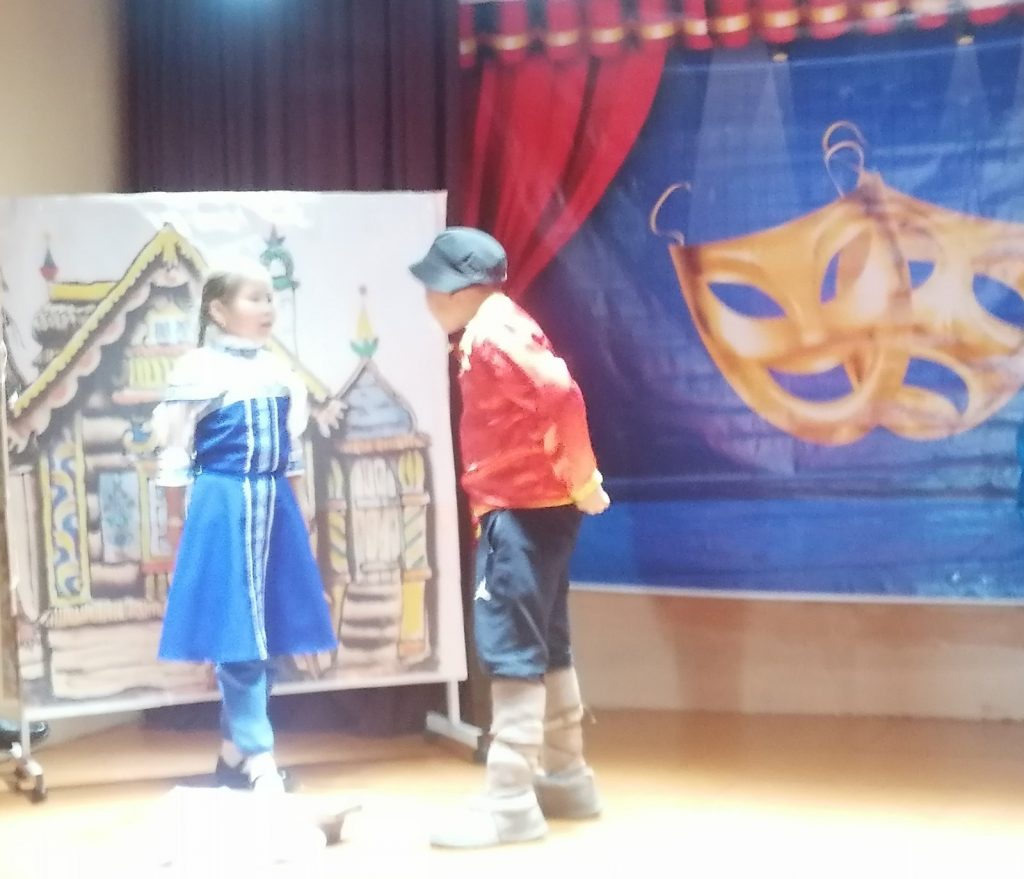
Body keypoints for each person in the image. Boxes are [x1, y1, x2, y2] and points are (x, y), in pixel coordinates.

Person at [410, 227, 611, 848]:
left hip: (518, 511)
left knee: (512, 649)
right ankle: (566, 775)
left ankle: (510, 800)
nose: (427, 298)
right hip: (538, 509)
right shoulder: (502, 325)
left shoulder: (491, 335)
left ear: (456, 289)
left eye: (432, 286)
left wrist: (583, 478)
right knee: (546, 640)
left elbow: (559, 393)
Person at [154, 263, 337, 792]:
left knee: (268, 628)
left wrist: (300, 505)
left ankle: (233, 754)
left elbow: (291, 450)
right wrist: (175, 520)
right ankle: (259, 755)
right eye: (254, 298)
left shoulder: (277, 371)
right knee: (238, 632)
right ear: (218, 309)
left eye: (269, 298)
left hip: (273, 503)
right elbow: (174, 453)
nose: (266, 308)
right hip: (223, 502)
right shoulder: (196, 370)